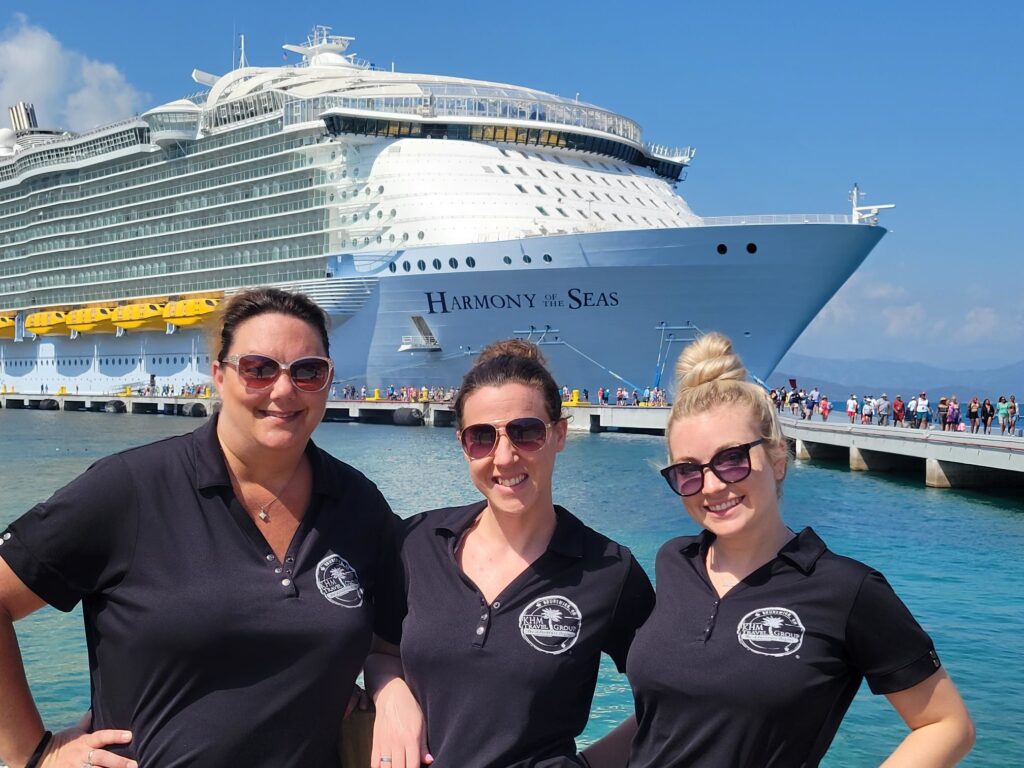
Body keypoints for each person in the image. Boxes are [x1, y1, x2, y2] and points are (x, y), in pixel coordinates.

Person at [0, 288, 400, 768]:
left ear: (329, 380)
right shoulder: (132, 488)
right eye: (258, 368)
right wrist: (34, 751)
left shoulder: (357, 502)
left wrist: (392, 689)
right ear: (219, 375)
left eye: (307, 371)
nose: (283, 390)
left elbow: (398, 630)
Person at [624, 332, 974, 767]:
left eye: (732, 459)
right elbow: (664, 717)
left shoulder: (846, 589)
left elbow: (946, 724)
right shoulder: (674, 561)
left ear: (777, 458)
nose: (712, 486)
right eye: (687, 471)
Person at [365, 339, 654, 768]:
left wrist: (588, 766)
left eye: (526, 432)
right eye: (481, 437)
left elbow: (670, 699)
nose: (504, 456)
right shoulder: (419, 542)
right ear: (463, 445)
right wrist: (390, 699)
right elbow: (381, 651)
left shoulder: (607, 570)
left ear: (558, 434)